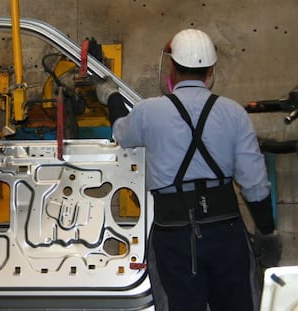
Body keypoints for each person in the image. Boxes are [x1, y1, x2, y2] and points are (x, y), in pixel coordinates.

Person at [96, 29, 282, 311]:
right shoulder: (233, 113)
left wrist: (110, 96)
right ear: (210, 71)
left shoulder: (149, 112)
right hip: (226, 232)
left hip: (173, 236)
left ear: (171, 67)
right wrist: (267, 231)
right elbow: (255, 185)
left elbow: (121, 132)